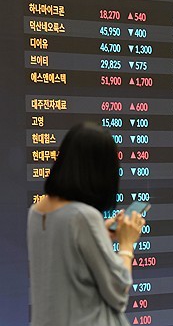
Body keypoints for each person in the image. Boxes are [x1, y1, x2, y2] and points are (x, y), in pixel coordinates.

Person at [27, 122, 145, 326]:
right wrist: (126, 244)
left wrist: (101, 233)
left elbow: (67, 262)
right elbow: (119, 291)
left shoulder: (36, 211)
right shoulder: (84, 217)